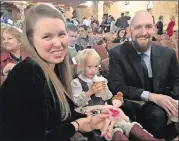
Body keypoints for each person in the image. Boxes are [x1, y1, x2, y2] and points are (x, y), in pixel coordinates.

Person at [0, 4, 120, 141]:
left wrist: (94, 114)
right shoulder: (28, 73)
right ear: (31, 39)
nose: (57, 43)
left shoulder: (54, 68)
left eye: (61, 34)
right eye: (47, 37)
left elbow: (62, 115)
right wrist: (76, 125)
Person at [108, 10, 179, 140]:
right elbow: (116, 86)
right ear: (129, 30)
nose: (144, 32)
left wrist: (173, 101)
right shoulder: (117, 54)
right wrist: (152, 97)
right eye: (138, 27)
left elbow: (176, 81)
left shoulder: (168, 54)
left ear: (154, 29)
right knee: (155, 115)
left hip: (166, 103)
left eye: (148, 26)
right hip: (136, 106)